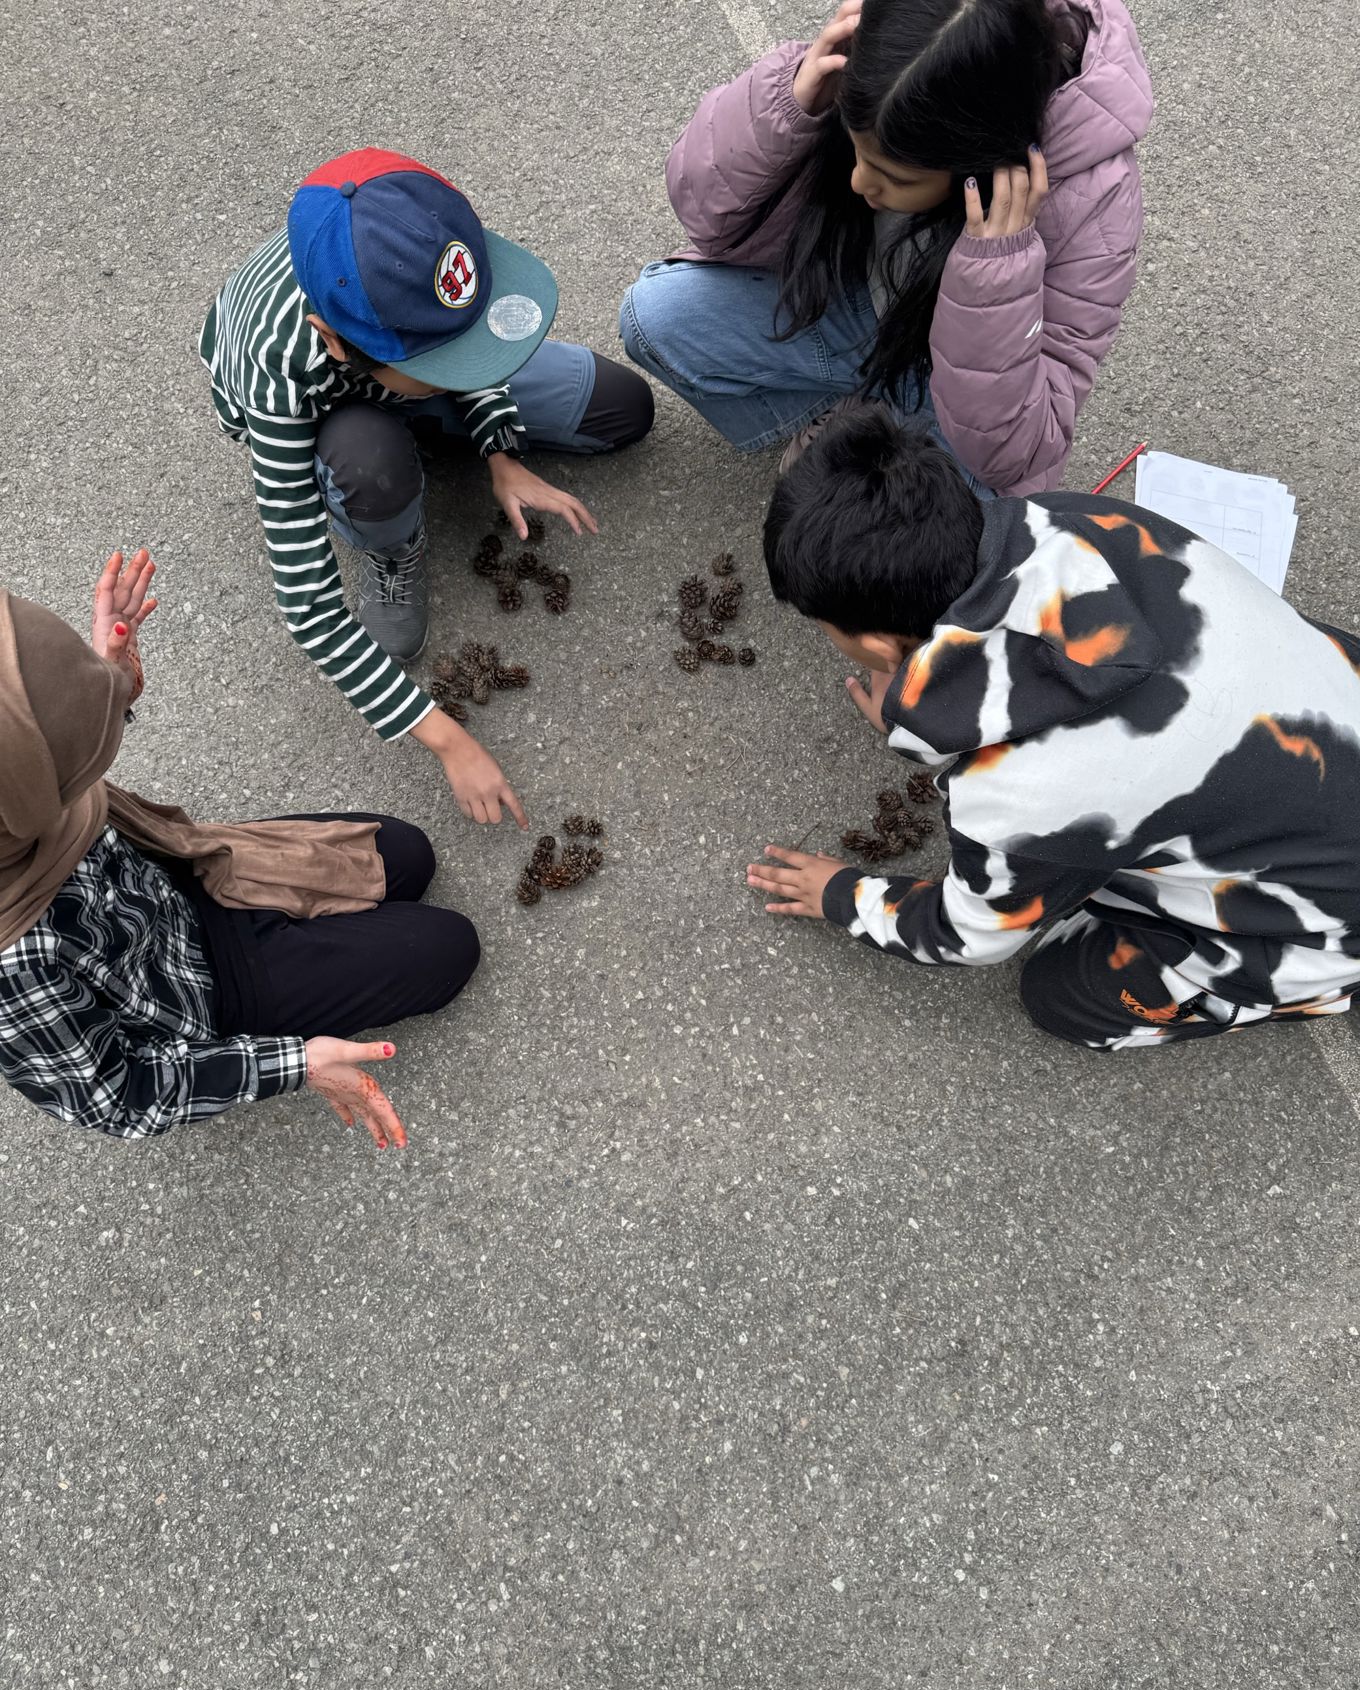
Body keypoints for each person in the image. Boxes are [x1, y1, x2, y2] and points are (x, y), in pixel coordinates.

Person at [747, 405, 1360, 1050]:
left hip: (1332, 916)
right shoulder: (1077, 518)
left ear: (876, 646)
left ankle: (1309, 987)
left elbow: (967, 934)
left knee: (1061, 992)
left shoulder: (1015, 800)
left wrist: (842, 895)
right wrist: (916, 698)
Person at [201, 147, 655, 828]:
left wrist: (499, 449)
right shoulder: (276, 377)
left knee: (623, 408)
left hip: (391, 370)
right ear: (335, 342)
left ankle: (433, 419)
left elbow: (472, 344)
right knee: (370, 462)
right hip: (332, 414)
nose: (463, 364)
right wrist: (448, 739)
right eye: (444, 364)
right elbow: (308, 606)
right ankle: (390, 539)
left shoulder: (416, 233)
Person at [0, 552, 480, 1141]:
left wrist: (101, 683)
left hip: (191, 870)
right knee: (449, 947)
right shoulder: (12, 970)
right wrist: (293, 1063)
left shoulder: (14, 801)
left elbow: (42, 748)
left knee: (409, 853)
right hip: (208, 995)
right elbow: (119, 1096)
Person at [620, 0, 1151, 496]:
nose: (859, 182)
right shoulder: (890, 65)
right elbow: (709, 223)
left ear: (979, 161)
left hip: (958, 384)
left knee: (949, 530)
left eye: (895, 177)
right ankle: (847, 408)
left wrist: (997, 275)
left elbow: (1012, 454)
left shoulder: (1094, 200)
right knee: (655, 317)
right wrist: (786, 105)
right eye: (855, 149)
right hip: (854, 307)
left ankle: (881, 418)